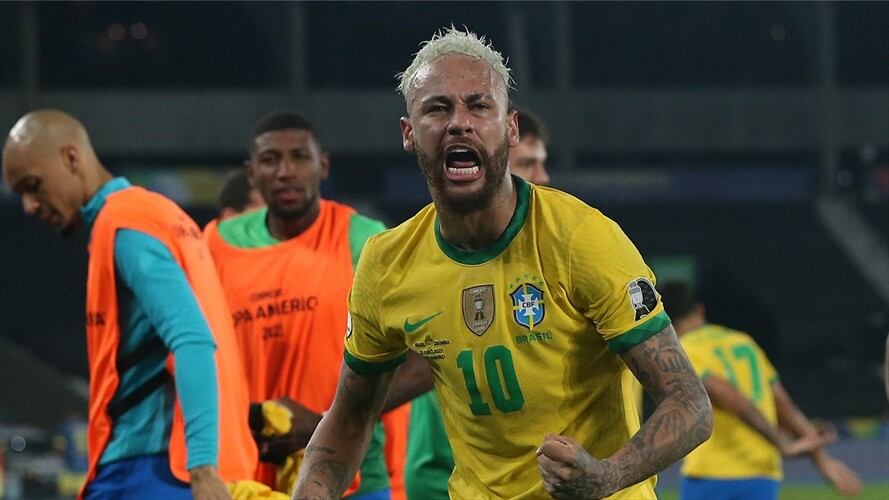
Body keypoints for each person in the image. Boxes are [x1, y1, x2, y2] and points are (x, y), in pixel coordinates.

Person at [293, 27, 712, 500]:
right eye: (437, 107)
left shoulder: (582, 238)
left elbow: (691, 403)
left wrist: (607, 476)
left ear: (510, 129)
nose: (459, 123)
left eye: (478, 105)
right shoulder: (387, 264)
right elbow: (349, 417)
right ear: (409, 133)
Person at [1, 109, 257, 499]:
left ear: (72, 158)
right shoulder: (161, 214)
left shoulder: (124, 225)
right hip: (180, 465)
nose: (30, 206)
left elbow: (192, 340)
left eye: (33, 186)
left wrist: (202, 467)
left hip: (149, 470)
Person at [204, 110, 417, 499]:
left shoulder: (365, 241)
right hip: (249, 479)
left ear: (323, 165)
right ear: (251, 174)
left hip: (352, 479)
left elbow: (426, 359)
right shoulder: (218, 244)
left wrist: (324, 422)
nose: (285, 171)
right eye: (270, 160)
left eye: (299, 157)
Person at [404, 104, 554, 499]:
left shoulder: (565, 246)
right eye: (529, 164)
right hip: (443, 469)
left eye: (542, 164)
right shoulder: (420, 258)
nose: (542, 177)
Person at [660, 281, 863, 500]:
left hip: (713, 473)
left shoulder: (683, 349)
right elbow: (784, 405)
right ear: (700, 309)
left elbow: (731, 398)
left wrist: (782, 443)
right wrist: (822, 461)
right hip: (762, 475)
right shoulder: (743, 342)